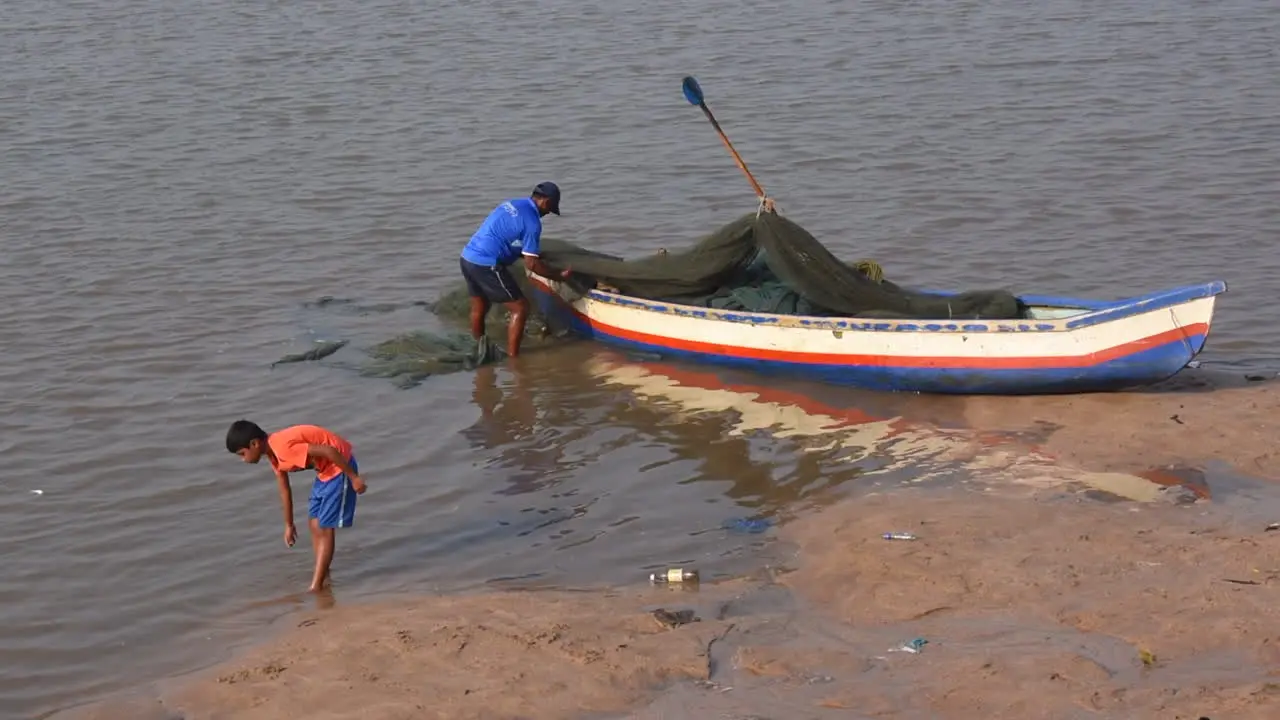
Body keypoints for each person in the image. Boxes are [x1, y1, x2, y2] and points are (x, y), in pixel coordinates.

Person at [225, 420, 366, 592]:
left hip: (339, 467)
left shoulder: (283, 449)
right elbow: (284, 488)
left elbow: (329, 450)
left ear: (254, 443)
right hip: (324, 472)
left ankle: (316, 586)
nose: (243, 460)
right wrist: (289, 525)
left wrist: (353, 477)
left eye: (242, 454)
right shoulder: (273, 455)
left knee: (325, 527)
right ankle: (324, 575)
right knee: (314, 523)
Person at [459, 181, 572, 357]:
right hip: (487, 264)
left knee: (479, 305)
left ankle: (478, 347)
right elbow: (532, 265)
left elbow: (502, 235)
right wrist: (559, 276)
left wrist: (526, 253)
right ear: (546, 202)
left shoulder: (511, 203)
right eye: (549, 210)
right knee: (520, 308)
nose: (546, 214)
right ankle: (513, 359)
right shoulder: (533, 222)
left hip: (467, 257)